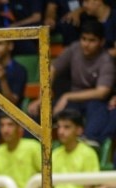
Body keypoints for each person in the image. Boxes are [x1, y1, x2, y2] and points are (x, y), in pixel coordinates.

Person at [27, 18, 114, 146]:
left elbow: (102, 93)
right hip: (74, 102)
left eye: (92, 40)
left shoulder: (106, 60)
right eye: (84, 39)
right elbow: (52, 68)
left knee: (98, 109)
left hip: (94, 102)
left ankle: (88, 144)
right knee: (36, 110)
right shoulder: (74, 48)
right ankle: (30, 147)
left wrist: (67, 96)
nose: (86, 44)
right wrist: (42, 98)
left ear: (101, 42)